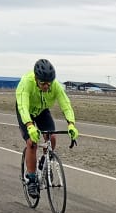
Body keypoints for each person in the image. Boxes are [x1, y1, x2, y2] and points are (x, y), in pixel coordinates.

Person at [15, 59, 78, 198]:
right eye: (43, 83)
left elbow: (66, 105)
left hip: (42, 110)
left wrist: (71, 124)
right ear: (36, 78)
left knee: (52, 137)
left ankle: (45, 162)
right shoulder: (26, 83)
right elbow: (23, 107)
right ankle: (31, 179)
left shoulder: (54, 86)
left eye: (49, 82)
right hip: (26, 111)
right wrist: (30, 125)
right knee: (32, 143)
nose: (46, 86)